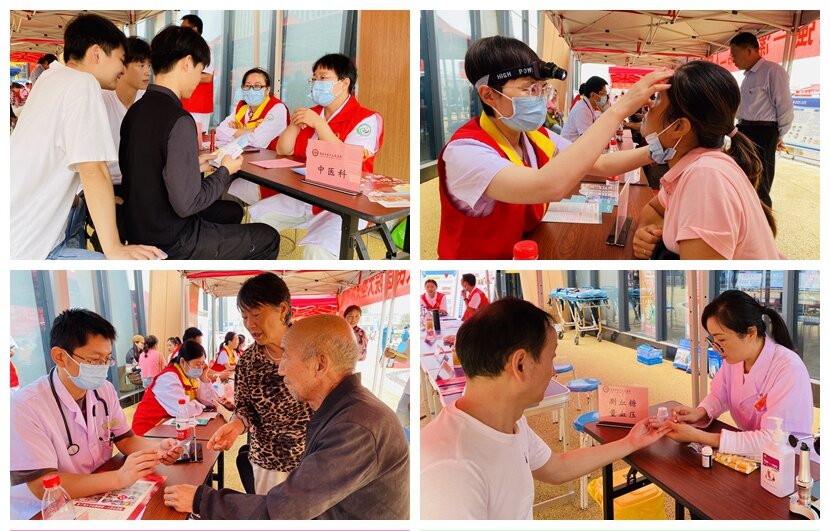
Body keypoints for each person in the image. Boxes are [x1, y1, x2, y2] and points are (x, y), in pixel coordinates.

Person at [421, 297, 670, 519]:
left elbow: (556, 467)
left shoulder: (509, 419)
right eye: (551, 358)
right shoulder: (450, 469)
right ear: (520, 365)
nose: (553, 372)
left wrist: (630, 442)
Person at [436, 36, 672, 259]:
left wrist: (660, 147)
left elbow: (599, 163)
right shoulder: (465, 152)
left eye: (542, 89)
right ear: (488, 95)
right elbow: (546, 186)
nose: (539, 98)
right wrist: (619, 110)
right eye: (529, 89)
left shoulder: (534, 135)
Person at [163, 315, 410, 519]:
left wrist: (200, 500)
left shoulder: (355, 426)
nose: (280, 370)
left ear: (320, 365)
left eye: (287, 357)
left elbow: (281, 512)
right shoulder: (344, 409)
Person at [10, 14, 165, 260]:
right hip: (31, 246)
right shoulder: (82, 84)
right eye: (121, 60)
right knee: (141, 260)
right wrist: (114, 248)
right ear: (96, 53)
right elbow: (93, 168)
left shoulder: (51, 77)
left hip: (28, 226)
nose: (122, 69)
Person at [119, 25, 279, 260]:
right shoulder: (179, 119)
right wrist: (225, 171)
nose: (199, 79)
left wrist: (192, 166)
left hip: (141, 227)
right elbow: (188, 204)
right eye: (200, 69)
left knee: (232, 211)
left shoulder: (135, 111)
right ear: (187, 62)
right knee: (269, 237)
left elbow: (149, 170)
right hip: (174, 238)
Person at [10, 309, 184, 519]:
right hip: (46, 512)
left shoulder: (104, 390)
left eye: (107, 359)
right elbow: (42, 485)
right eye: (94, 360)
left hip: (97, 494)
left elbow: (126, 439)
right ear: (60, 357)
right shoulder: (25, 406)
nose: (102, 367)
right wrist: (118, 478)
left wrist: (158, 447)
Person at [631, 61, 783, 260]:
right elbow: (653, 210)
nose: (647, 105)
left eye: (657, 99)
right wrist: (647, 234)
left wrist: (658, 247)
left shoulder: (704, 177)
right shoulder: (698, 166)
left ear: (679, 127)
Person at [256, 53, 383, 260]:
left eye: (323, 78)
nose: (316, 83)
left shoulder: (366, 119)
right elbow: (283, 150)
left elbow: (348, 161)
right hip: (306, 194)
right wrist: (294, 125)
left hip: (345, 202)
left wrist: (319, 124)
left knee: (317, 251)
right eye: (314, 78)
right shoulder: (312, 112)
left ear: (344, 83)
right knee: (258, 215)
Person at [657, 290, 813, 456]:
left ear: (750, 333)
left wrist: (700, 437)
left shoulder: (788, 368)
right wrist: (700, 412)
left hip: (793, 460)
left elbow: (773, 441)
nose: (716, 348)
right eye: (714, 340)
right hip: (753, 455)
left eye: (722, 339)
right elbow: (719, 395)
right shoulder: (735, 358)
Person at [201, 273, 312, 494]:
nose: (250, 325)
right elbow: (245, 407)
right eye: (244, 317)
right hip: (267, 463)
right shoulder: (249, 361)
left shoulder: (310, 347)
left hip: (311, 458)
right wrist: (236, 425)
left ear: (282, 309)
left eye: (257, 315)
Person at [730, 32, 794, 208]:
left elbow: (785, 107)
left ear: (749, 51)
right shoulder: (747, 77)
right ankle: (745, 215)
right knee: (742, 177)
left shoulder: (773, 71)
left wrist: (779, 135)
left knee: (761, 183)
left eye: (734, 55)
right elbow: (742, 109)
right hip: (744, 129)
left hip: (763, 132)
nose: (733, 60)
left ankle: (764, 220)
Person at [219, 67, 290, 206]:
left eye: (257, 86)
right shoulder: (243, 107)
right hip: (243, 164)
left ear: (267, 90)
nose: (252, 90)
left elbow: (257, 142)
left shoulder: (276, 108)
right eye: (247, 86)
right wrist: (248, 131)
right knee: (211, 185)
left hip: (267, 174)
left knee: (220, 193)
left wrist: (237, 132)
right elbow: (220, 131)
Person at [132, 340, 228, 436]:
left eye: (203, 364)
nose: (201, 368)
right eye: (198, 364)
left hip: (169, 427)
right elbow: (184, 410)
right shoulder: (168, 378)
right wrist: (200, 404)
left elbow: (211, 401)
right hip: (149, 431)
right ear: (182, 362)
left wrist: (204, 379)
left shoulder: (190, 376)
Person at [101, 36, 150, 190]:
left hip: (137, 182)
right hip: (106, 182)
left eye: (149, 65)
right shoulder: (102, 98)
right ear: (122, 65)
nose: (148, 72)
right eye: (141, 65)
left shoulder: (147, 100)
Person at [179, 14, 214, 132]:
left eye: (183, 28)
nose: (180, 31)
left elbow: (208, 77)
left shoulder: (205, 48)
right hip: (184, 103)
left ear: (194, 29)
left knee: (197, 140)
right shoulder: (185, 48)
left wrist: (181, 76)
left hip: (198, 106)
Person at [561, 76, 608, 141]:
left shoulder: (587, 106)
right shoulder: (582, 109)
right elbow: (587, 139)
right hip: (569, 145)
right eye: (603, 94)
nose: (605, 97)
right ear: (593, 95)